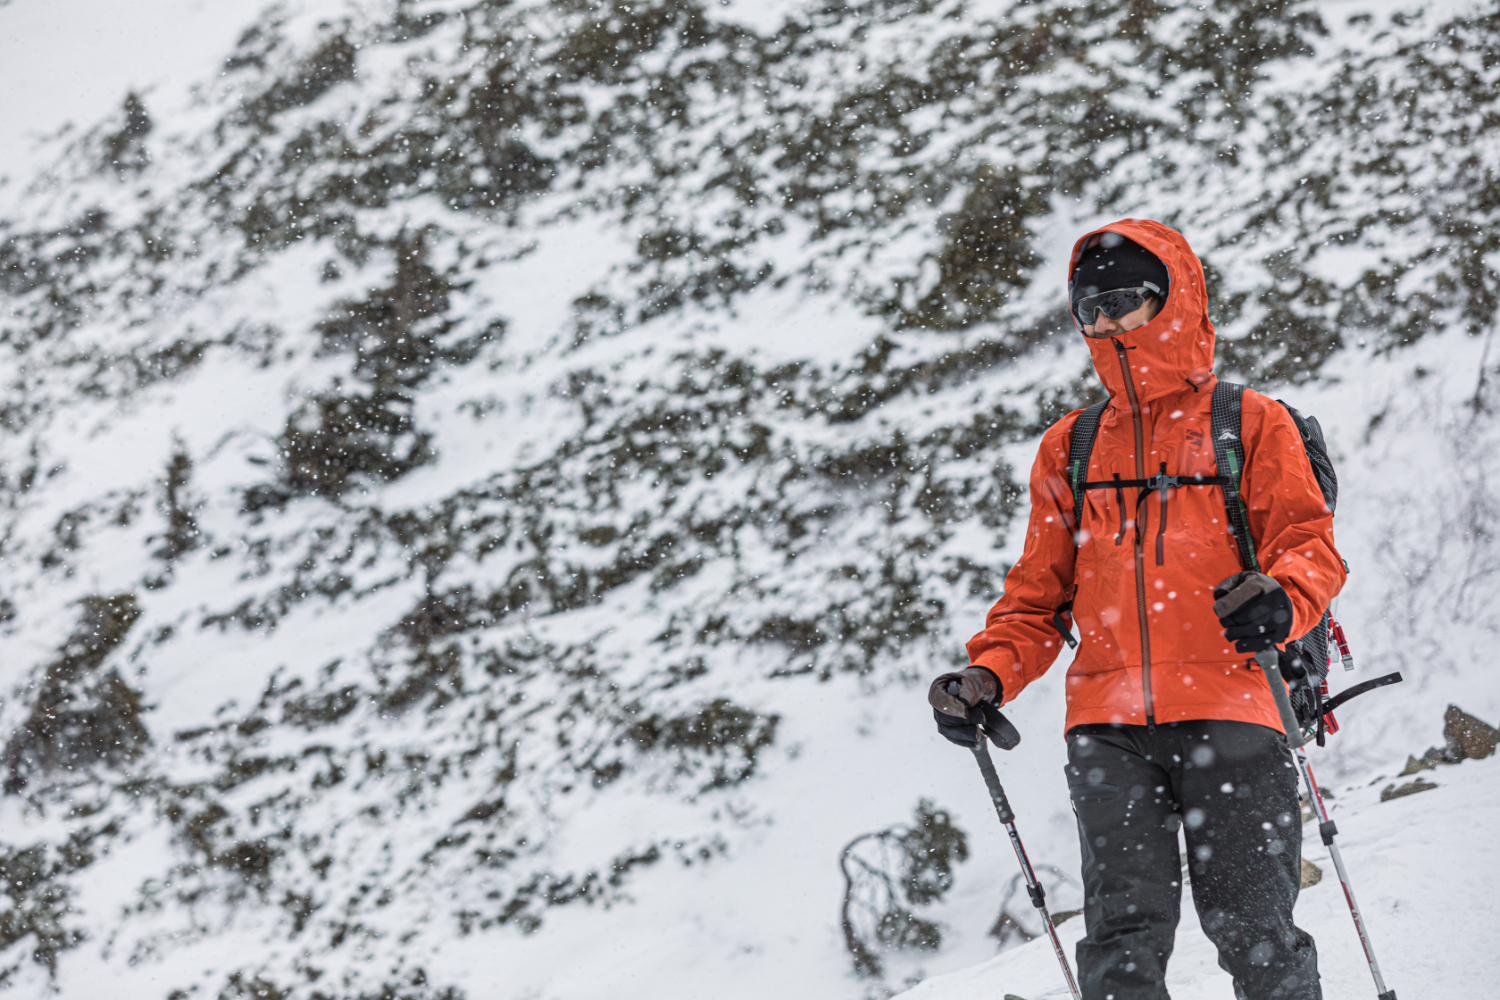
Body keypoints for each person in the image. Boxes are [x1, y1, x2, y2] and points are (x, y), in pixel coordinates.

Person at [927, 220, 1343, 1000]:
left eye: (1122, 302)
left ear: (1171, 300)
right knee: (1120, 942)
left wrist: (1282, 601)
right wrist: (987, 676)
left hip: (1235, 706)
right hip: (1108, 730)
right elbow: (1036, 599)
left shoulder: (1248, 422)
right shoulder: (1070, 447)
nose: (1107, 323)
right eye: (1090, 310)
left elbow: (1311, 547)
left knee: (1258, 935)